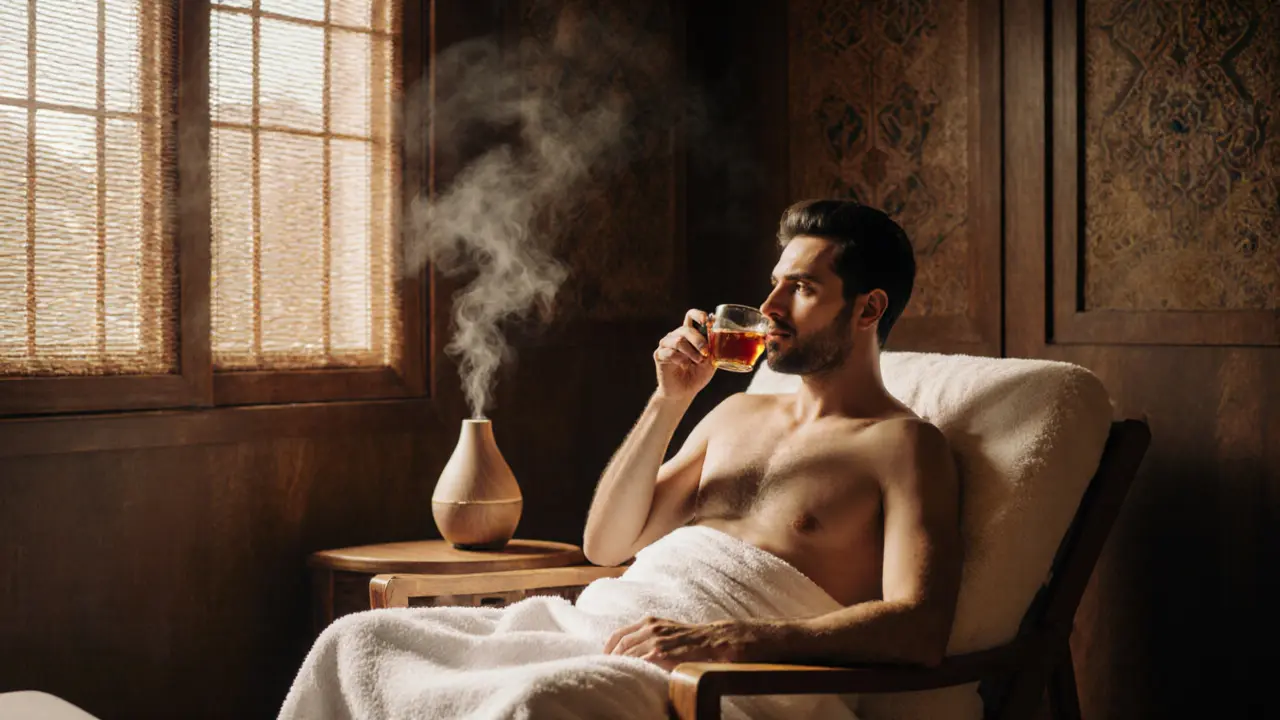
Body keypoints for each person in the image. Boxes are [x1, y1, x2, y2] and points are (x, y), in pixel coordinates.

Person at [584, 198, 962, 671]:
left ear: (869, 309)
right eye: (774, 284)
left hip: (709, 676)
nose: (769, 307)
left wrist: (732, 640)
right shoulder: (735, 414)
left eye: (801, 287)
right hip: (600, 629)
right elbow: (605, 546)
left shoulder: (904, 446)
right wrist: (669, 401)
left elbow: (920, 628)